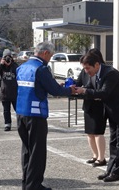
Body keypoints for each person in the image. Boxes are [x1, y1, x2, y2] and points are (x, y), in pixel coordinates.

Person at [16, 42, 76, 190]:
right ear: (45, 53)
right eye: (50, 55)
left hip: (21, 112)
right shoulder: (41, 69)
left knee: (27, 150)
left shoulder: (22, 67)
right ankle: (34, 185)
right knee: (37, 152)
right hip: (36, 114)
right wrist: (70, 90)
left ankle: (27, 183)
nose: (50, 58)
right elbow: (55, 90)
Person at [75, 52, 119, 182]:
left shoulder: (110, 74)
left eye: (88, 68)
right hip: (112, 112)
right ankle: (109, 170)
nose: (86, 72)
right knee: (113, 142)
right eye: (84, 69)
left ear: (97, 64)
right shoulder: (97, 73)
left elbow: (104, 93)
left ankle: (117, 172)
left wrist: (85, 91)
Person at [75, 48, 107, 167]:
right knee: (89, 132)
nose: (86, 69)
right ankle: (94, 155)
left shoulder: (104, 72)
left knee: (98, 132)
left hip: (99, 104)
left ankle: (101, 158)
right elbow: (78, 82)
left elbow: (104, 91)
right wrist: (70, 86)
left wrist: (87, 90)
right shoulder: (85, 70)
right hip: (88, 103)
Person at [0, 49, 18, 131]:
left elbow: (19, 72)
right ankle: (7, 124)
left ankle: (21, 123)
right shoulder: (1, 66)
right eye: (5, 57)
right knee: (6, 110)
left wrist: (12, 63)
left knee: (18, 109)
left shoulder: (15, 66)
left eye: (9, 57)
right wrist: (1, 64)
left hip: (14, 92)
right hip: (4, 92)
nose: (7, 59)